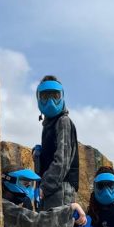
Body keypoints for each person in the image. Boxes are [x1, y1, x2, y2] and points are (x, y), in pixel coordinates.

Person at [33, 76, 80, 211]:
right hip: (53, 189)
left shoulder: (63, 121)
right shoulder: (49, 125)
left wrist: (44, 187)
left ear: (62, 96)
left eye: (55, 96)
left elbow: (62, 162)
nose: (50, 101)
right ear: (38, 98)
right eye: (45, 96)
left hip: (60, 189)